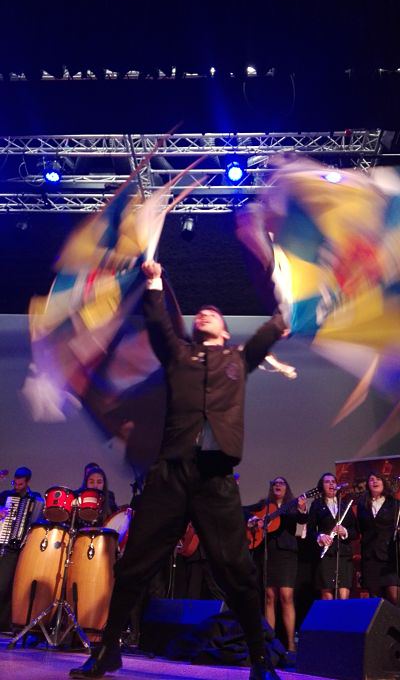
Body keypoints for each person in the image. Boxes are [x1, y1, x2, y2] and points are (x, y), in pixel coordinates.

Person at [70, 259, 286, 680]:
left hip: (215, 478)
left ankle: (260, 660)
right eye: (199, 313)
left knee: (237, 571)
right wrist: (154, 282)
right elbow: (158, 326)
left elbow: (271, 330)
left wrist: (282, 318)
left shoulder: (239, 358)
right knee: (134, 564)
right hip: (170, 474)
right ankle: (107, 650)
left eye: (213, 314)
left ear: (225, 331)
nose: (204, 314)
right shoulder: (178, 356)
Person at [260, 477, 307, 655]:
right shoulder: (265, 506)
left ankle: (291, 645)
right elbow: (248, 512)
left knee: (286, 596)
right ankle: (270, 643)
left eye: (281, 483)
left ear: (287, 488)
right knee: (270, 596)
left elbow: (302, 519)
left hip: (287, 553)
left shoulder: (292, 506)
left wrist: (302, 508)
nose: (278, 485)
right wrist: (254, 521)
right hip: (269, 552)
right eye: (275, 483)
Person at [0, 467, 43, 630]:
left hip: (23, 549)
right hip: (6, 545)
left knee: (12, 586)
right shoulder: (6, 496)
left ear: (27, 482)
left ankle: (5, 623)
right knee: (3, 584)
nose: (17, 487)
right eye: (15, 484)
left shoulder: (35, 499)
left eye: (20, 484)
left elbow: (37, 520)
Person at [307, 472, 357, 600]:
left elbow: (355, 531)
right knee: (327, 594)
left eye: (333, 481)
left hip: (343, 554)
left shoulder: (345, 505)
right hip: (326, 554)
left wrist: (345, 531)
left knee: (343, 595)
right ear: (322, 486)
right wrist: (320, 536)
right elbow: (310, 531)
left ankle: (343, 614)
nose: (331, 484)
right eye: (327, 482)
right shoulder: (317, 505)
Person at [357, 472, 400, 603]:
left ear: (384, 483)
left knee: (393, 597)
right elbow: (360, 528)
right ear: (368, 485)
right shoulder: (362, 505)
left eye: (378, 479)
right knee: (375, 599)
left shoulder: (394, 503)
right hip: (370, 556)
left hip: (389, 555)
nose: (375, 481)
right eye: (371, 479)